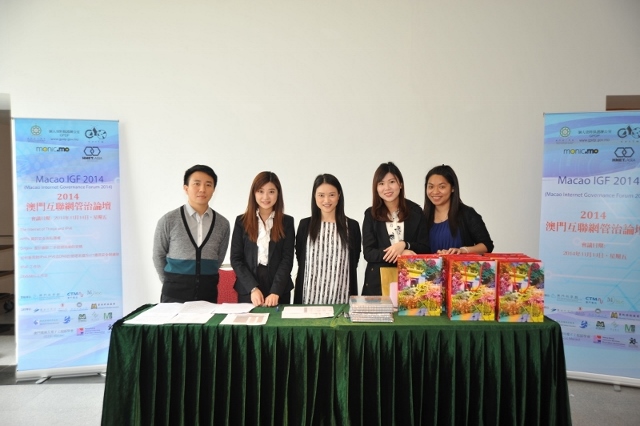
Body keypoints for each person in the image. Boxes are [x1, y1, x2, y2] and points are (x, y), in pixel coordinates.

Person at [153, 164, 231, 303]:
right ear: (186, 188)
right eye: (196, 183)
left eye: (208, 184)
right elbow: (158, 255)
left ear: (214, 190)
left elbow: (218, 258)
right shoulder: (168, 220)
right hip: (173, 296)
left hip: (208, 296)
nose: (202, 189)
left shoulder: (222, 224)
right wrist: (171, 282)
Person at [362, 162, 430, 295]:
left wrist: (405, 245)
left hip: (412, 282)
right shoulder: (371, 214)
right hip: (378, 283)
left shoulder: (416, 211)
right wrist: (400, 254)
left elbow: (425, 248)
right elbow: (369, 253)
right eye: (381, 183)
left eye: (392, 182)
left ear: (400, 184)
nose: (387, 188)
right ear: (376, 188)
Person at [294, 174, 361, 304]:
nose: (326, 200)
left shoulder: (352, 226)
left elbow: (354, 260)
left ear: (339, 195)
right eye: (321, 195)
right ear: (314, 196)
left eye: (331, 195)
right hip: (308, 300)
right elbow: (300, 257)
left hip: (341, 299)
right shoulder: (305, 225)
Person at [230, 171, 294, 306]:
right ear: (254, 193)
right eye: (260, 191)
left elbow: (287, 259)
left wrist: (276, 291)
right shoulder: (241, 222)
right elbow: (236, 259)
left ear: (278, 193)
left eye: (271, 192)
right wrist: (252, 288)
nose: (265, 197)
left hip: (279, 288)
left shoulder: (287, 222)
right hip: (248, 289)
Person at [423, 164, 494, 255]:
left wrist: (464, 250)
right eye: (431, 187)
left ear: (453, 188)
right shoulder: (422, 217)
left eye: (442, 187)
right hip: (431, 265)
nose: (435, 191)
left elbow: (487, 245)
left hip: (460, 264)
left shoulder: (467, 214)